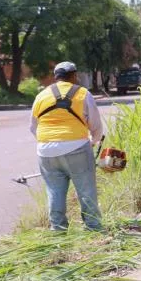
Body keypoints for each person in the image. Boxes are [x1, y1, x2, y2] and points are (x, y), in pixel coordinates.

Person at [30, 61, 104, 231]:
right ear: (74, 76)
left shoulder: (41, 96)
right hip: (76, 146)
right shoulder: (83, 93)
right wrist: (93, 141)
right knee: (86, 190)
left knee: (54, 190)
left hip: (46, 151)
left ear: (56, 77)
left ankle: (58, 230)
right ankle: (93, 228)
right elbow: (96, 125)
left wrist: (48, 142)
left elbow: (33, 127)